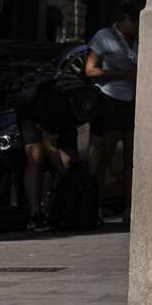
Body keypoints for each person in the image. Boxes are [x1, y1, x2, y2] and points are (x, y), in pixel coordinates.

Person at [17, 41, 92, 231]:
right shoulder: (50, 102)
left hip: (60, 120)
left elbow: (70, 154)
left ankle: (65, 206)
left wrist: (76, 176)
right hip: (32, 115)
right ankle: (35, 213)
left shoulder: (82, 102)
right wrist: (69, 178)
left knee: (72, 165)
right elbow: (49, 146)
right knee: (36, 157)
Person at [84, 4, 140, 224]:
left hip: (133, 101)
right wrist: (123, 74)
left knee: (132, 159)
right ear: (125, 19)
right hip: (110, 99)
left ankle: (129, 208)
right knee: (104, 156)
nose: (136, 28)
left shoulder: (138, 39)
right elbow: (90, 70)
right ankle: (94, 207)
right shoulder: (104, 36)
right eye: (134, 23)